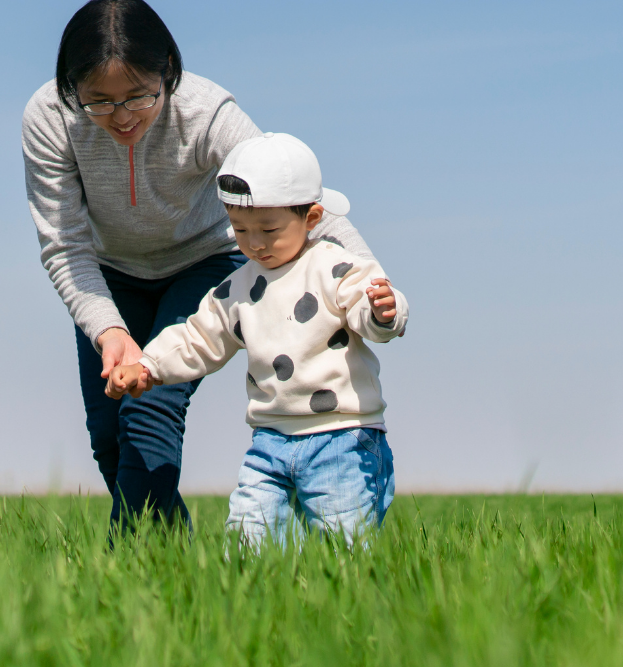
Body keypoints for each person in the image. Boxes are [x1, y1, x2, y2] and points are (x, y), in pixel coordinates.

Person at [22, 0, 378, 533]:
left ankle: (132, 566)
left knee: (151, 407)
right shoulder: (49, 119)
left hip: (203, 263)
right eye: (99, 102)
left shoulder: (208, 114)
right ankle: (173, 558)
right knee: (110, 438)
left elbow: (292, 194)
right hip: (107, 276)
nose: (120, 118)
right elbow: (65, 245)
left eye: (139, 97)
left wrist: (370, 278)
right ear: (71, 89)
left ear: (167, 70)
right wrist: (108, 331)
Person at [107, 133, 408, 546]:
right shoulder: (238, 287)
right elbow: (199, 337)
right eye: (240, 228)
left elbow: (367, 305)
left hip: (341, 437)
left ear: (312, 218)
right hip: (269, 442)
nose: (255, 243)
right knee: (249, 541)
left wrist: (383, 311)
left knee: (345, 547)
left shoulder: (334, 265)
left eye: (269, 229)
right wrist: (148, 365)